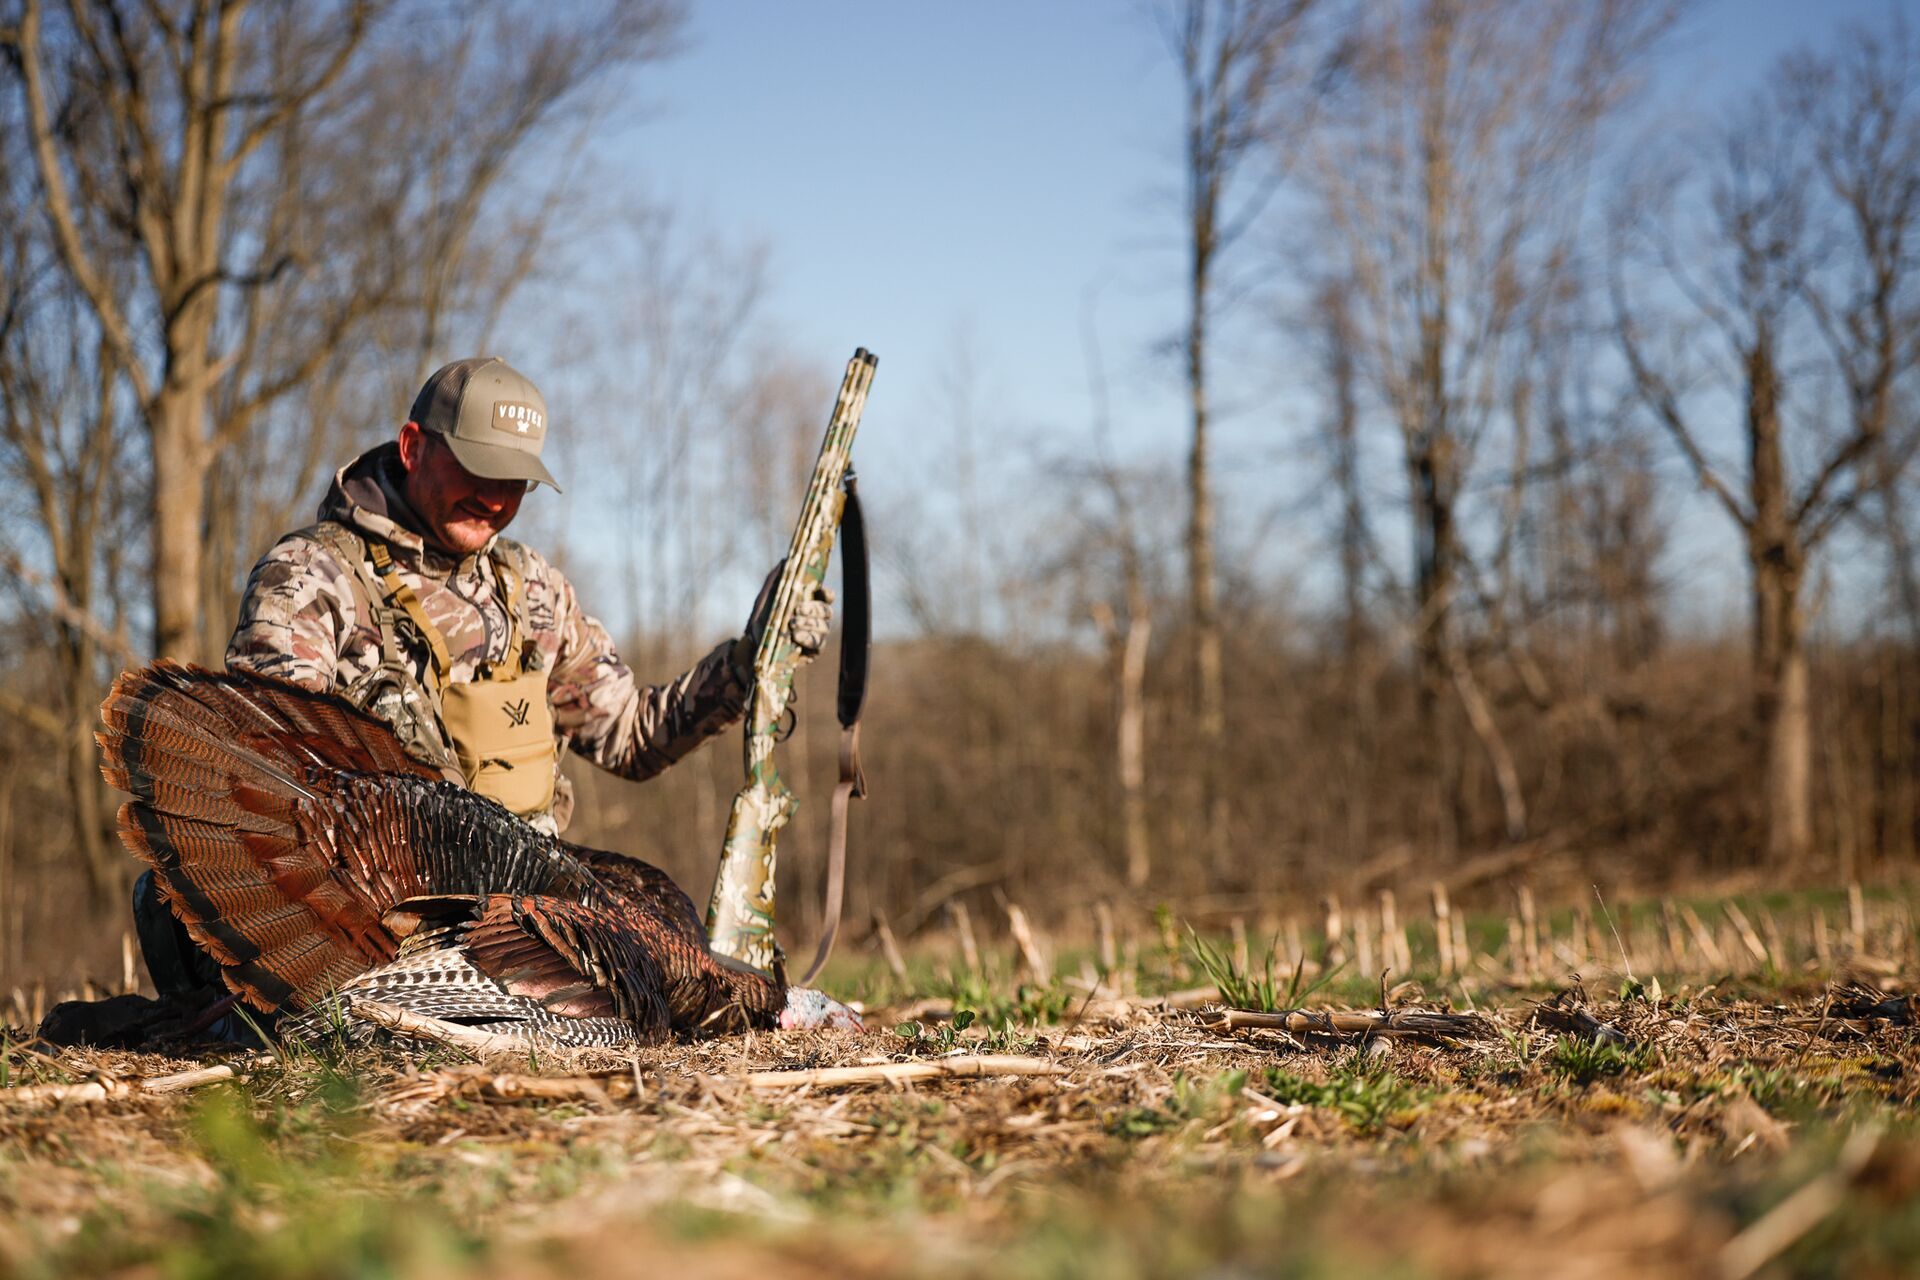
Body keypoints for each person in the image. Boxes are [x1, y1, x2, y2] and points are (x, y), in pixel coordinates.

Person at [131, 355, 828, 1003]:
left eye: (514, 482)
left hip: (531, 909)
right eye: (476, 470)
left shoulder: (532, 591)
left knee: (673, 950)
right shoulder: (313, 578)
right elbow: (259, 791)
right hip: (377, 916)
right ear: (413, 447)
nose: (494, 498)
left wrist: (747, 663)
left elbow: (632, 737)